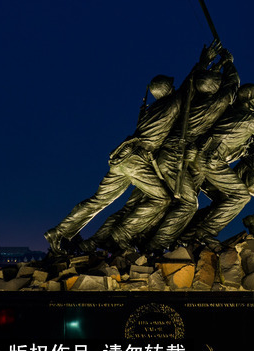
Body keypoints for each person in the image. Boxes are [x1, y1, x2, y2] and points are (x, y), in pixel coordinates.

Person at [85, 45, 238, 252]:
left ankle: (96, 241)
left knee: (139, 204)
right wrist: (229, 64)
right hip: (171, 158)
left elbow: (191, 85)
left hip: (154, 158)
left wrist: (210, 63)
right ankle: (152, 245)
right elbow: (231, 88)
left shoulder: (180, 104)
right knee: (187, 205)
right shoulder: (212, 104)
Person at [43, 72, 182, 253]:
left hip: (122, 157)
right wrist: (203, 63)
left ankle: (58, 231)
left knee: (98, 201)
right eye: (171, 86)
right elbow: (185, 89)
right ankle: (122, 234)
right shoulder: (171, 104)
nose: (174, 88)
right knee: (162, 199)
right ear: (167, 89)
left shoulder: (152, 110)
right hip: (136, 160)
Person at [149, 83, 254, 248]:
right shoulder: (251, 119)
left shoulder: (229, 112)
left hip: (197, 158)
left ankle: (186, 235)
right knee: (241, 196)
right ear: (248, 101)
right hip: (211, 161)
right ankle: (206, 232)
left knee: (221, 199)